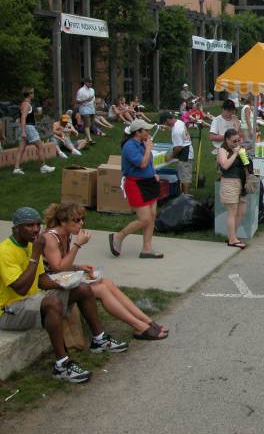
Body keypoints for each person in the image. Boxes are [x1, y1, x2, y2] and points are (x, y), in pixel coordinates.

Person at [0, 207, 127, 383]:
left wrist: (70, 282)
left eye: (38, 224)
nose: (36, 230)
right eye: (30, 225)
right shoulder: (5, 251)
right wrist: (35, 255)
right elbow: (20, 288)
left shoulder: (30, 245)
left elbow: (42, 280)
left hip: (32, 298)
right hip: (9, 309)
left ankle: (99, 340)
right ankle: (62, 365)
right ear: (16, 228)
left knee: (82, 289)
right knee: (51, 302)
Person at [41, 202, 168, 340]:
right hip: (49, 288)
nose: (81, 223)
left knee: (106, 282)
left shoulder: (66, 234)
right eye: (77, 220)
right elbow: (57, 268)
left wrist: (79, 267)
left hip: (61, 281)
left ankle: (147, 321)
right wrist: (77, 245)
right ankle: (139, 326)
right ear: (63, 221)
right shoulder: (50, 238)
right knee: (101, 289)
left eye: (83, 219)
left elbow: (61, 265)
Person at [110, 119, 164, 259]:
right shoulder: (130, 146)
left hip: (149, 182)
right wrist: (148, 149)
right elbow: (142, 164)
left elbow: (149, 164)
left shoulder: (142, 143)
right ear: (137, 132)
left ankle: (147, 248)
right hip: (135, 184)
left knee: (152, 216)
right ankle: (119, 236)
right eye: (146, 130)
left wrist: (154, 174)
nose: (149, 132)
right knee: (144, 218)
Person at [215, 128, 249, 250]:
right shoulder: (222, 150)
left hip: (241, 182)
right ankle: (232, 239)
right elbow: (225, 165)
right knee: (232, 211)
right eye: (234, 141)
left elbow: (246, 164)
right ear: (227, 140)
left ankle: (232, 235)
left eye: (238, 140)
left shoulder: (240, 148)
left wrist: (244, 155)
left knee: (242, 211)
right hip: (229, 182)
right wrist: (235, 153)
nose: (236, 143)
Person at [12, 87, 55, 175]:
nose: (33, 94)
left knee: (21, 149)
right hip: (28, 128)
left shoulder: (24, 104)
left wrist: (35, 115)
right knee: (40, 146)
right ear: (30, 94)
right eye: (33, 93)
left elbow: (25, 116)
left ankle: (16, 168)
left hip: (25, 127)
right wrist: (24, 131)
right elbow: (23, 118)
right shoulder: (27, 104)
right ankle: (43, 167)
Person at [160, 111, 193, 194]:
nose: (165, 125)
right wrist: (167, 128)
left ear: (168, 120)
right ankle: (183, 195)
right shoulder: (179, 122)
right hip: (186, 149)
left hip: (185, 154)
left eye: (165, 123)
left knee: (185, 178)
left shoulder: (176, 131)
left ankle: (185, 198)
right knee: (183, 176)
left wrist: (171, 156)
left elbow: (179, 147)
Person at [75, 78, 96, 145]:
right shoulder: (81, 91)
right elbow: (77, 101)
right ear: (85, 82)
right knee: (87, 124)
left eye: (91, 82)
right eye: (89, 82)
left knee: (91, 125)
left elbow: (93, 98)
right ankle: (90, 139)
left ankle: (85, 139)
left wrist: (94, 104)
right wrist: (86, 100)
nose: (90, 84)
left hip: (92, 109)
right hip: (84, 109)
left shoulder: (92, 90)